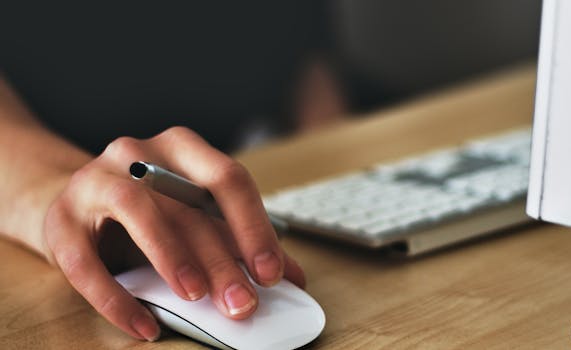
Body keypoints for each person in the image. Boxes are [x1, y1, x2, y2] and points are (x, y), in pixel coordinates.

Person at [0, 3, 340, 342]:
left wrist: (339, 185)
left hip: (240, 180)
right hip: (72, 166)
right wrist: (57, 191)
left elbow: (308, 58)